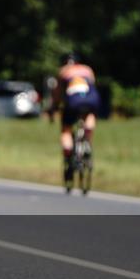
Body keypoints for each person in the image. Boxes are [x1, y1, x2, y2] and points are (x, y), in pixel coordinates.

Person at [50, 52, 100, 187]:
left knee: (66, 129)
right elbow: (92, 86)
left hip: (73, 102)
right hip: (91, 100)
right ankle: (87, 138)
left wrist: (54, 108)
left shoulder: (63, 72)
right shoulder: (87, 69)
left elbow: (57, 94)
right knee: (89, 114)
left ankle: (68, 153)